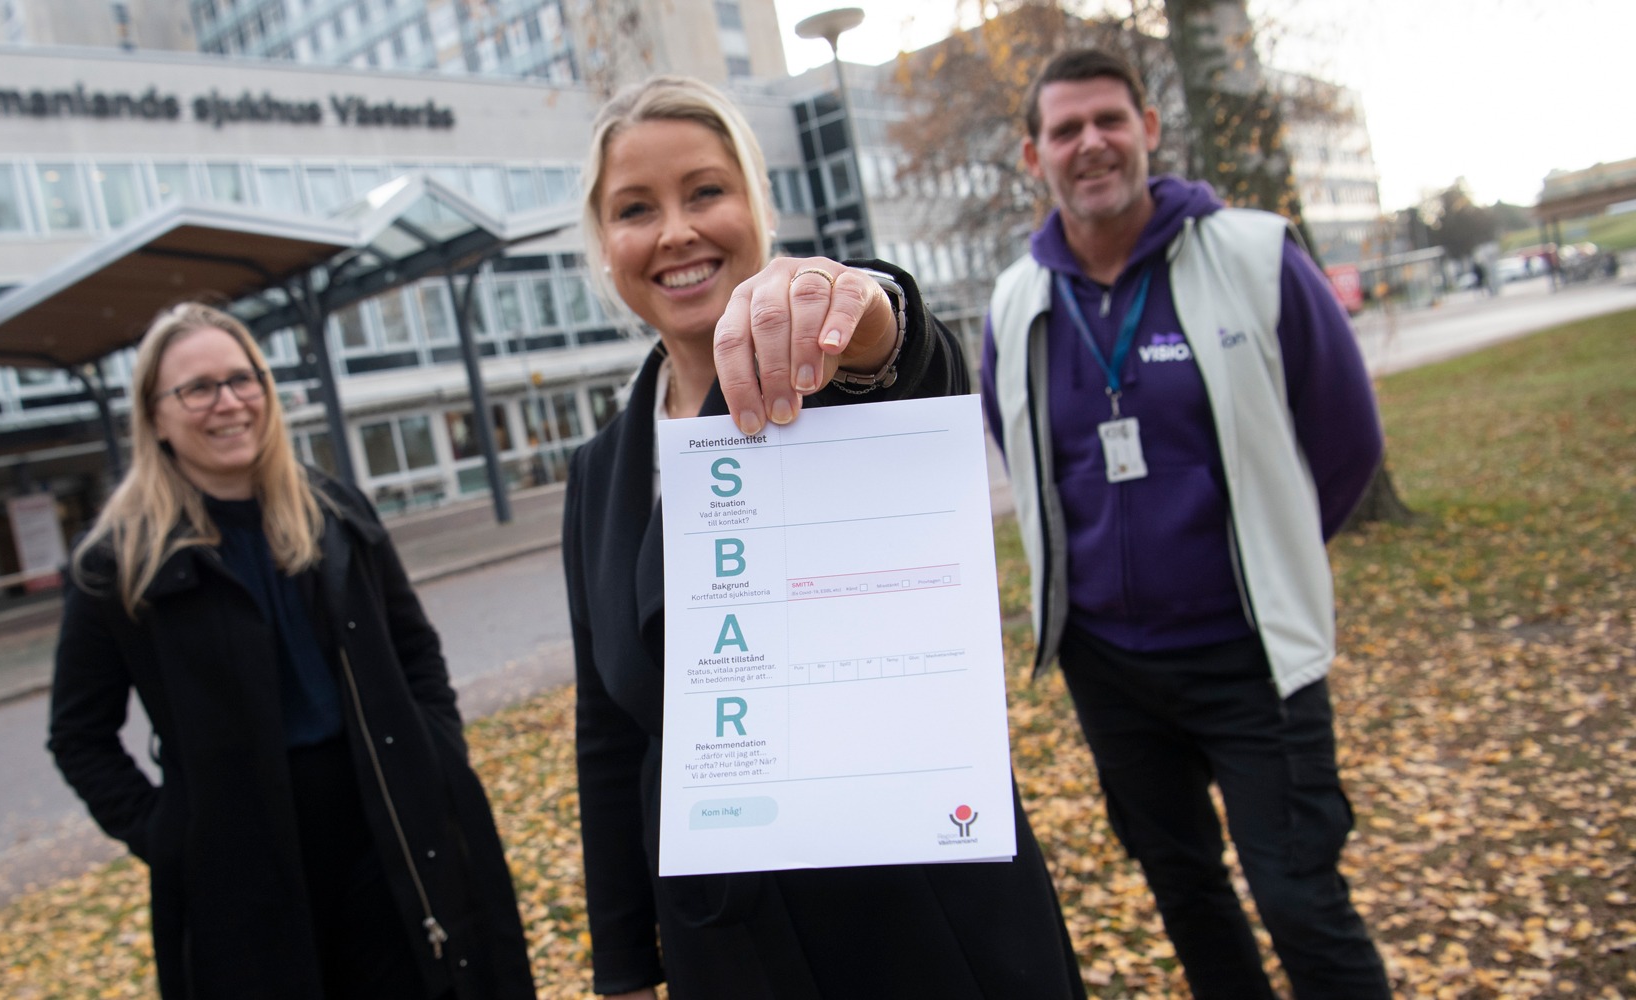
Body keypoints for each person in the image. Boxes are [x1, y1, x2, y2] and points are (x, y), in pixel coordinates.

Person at [562, 74, 1086, 1000]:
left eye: (707, 191)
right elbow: (608, 735)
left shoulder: (825, 369)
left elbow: (903, 355)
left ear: (759, 206)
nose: (676, 229)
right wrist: (623, 964)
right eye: (636, 208)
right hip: (725, 941)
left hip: (921, 916)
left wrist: (869, 319)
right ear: (605, 247)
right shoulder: (600, 474)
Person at [980, 48, 1392, 1000]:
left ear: (1149, 130)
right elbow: (1025, 452)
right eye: (1065, 129)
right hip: (1109, 670)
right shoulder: (1018, 300)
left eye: (1109, 121)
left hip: (1253, 659)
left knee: (1300, 900)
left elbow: (1344, 441)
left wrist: (1268, 556)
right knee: (1186, 893)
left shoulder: (1254, 255)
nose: (1091, 144)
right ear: (1034, 154)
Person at [48, 302, 536, 1000]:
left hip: (388, 832)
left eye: (243, 380)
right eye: (198, 388)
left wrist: (436, 750)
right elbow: (78, 736)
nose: (229, 403)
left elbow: (415, 649)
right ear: (154, 415)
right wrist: (169, 836)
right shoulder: (118, 564)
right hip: (241, 873)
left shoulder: (333, 513)